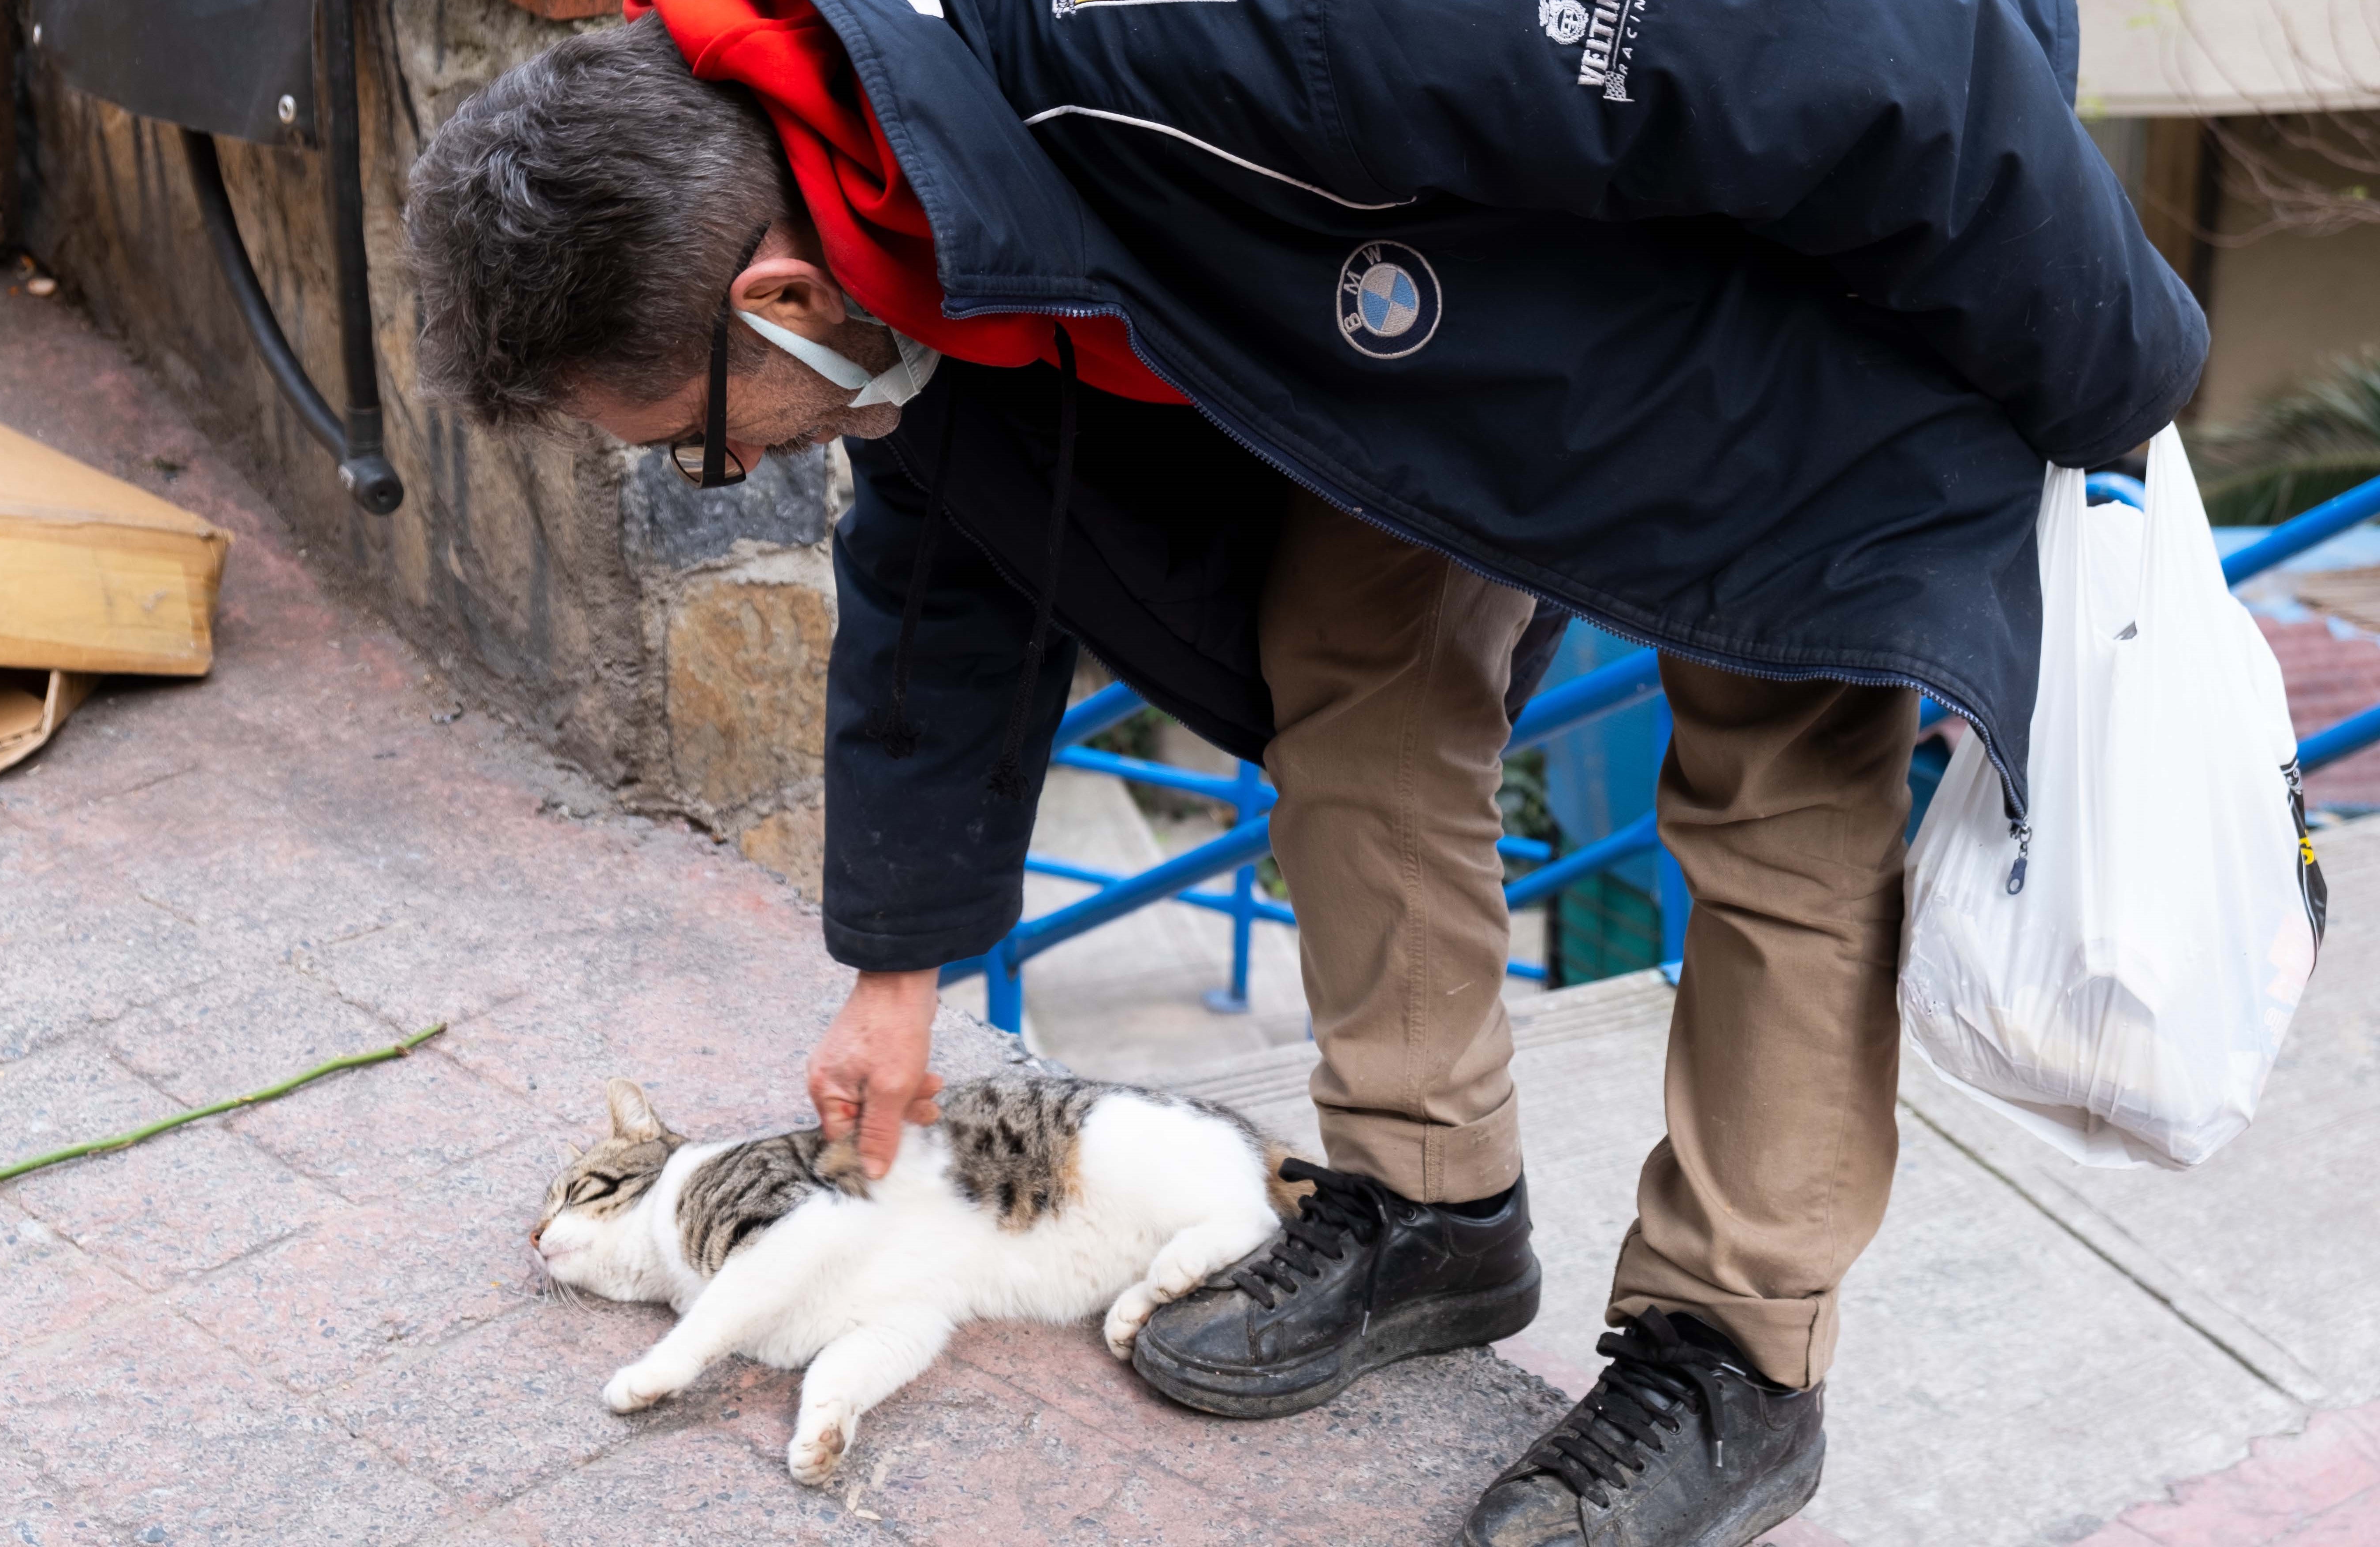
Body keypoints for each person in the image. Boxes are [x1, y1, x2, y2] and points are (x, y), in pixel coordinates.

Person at [401, 0, 2202, 1536]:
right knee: (1349, 645)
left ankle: (1734, 1361)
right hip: (1471, 278)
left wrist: (2120, 376)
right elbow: (953, 552)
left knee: (1774, 787)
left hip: (1787, 235)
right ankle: (1433, 1207)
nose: (730, 470)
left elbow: (1825, 41)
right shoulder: (893, 196)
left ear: (780, 293)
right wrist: (898, 967)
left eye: (707, 448)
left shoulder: (1193, 29)